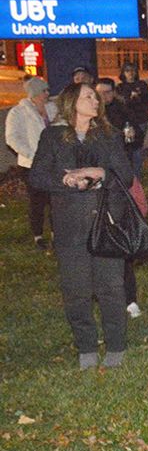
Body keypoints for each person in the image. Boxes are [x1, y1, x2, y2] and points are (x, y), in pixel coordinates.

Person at [28, 82, 134, 369]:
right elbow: (36, 177)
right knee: (76, 290)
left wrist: (99, 172)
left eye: (96, 97)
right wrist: (65, 180)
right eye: (89, 96)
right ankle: (86, 347)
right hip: (69, 227)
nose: (96, 101)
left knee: (111, 287)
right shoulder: (53, 137)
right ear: (72, 102)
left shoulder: (108, 137)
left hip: (106, 223)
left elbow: (125, 176)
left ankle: (116, 345)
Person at [95, 77, 146, 319]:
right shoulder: (71, 134)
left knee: (119, 246)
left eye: (106, 93)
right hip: (87, 202)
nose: (101, 98)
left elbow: (126, 172)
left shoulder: (113, 128)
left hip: (114, 194)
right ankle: (103, 296)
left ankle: (130, 298)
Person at [6, 76, 57, 251]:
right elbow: (12, 137)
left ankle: (56, 233)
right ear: (35, 93)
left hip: (53, 162)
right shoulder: (19, 112)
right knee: (38, 200)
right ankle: (38, 235)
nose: (47, 94)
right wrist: (30, 153)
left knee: (55, 198)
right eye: (44, 91)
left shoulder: (52, 109)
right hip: (31, 165)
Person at [115, 61, 148, 180]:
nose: (130, 73)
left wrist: (139, 97)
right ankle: (127, 175)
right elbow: (120, 104)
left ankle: (137, 177)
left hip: (140, 120)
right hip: (126, 122)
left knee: (137, 149)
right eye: (127, 71)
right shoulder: (120, 87)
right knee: (126, 149)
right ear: (123, 73)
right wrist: (128, 99)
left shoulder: (141, 84)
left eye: (132, 70)